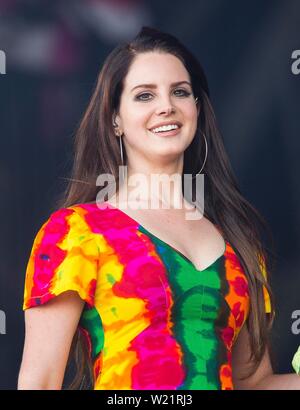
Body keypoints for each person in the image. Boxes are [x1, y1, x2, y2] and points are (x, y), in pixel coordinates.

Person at [18, 26, 299, 390]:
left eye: (180, 92)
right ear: (115, 119)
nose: (166, 106)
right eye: (144, 95)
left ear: (196, 109)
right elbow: (40, 381)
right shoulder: (76, 232)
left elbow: (253, 383)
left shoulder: (239, 241)